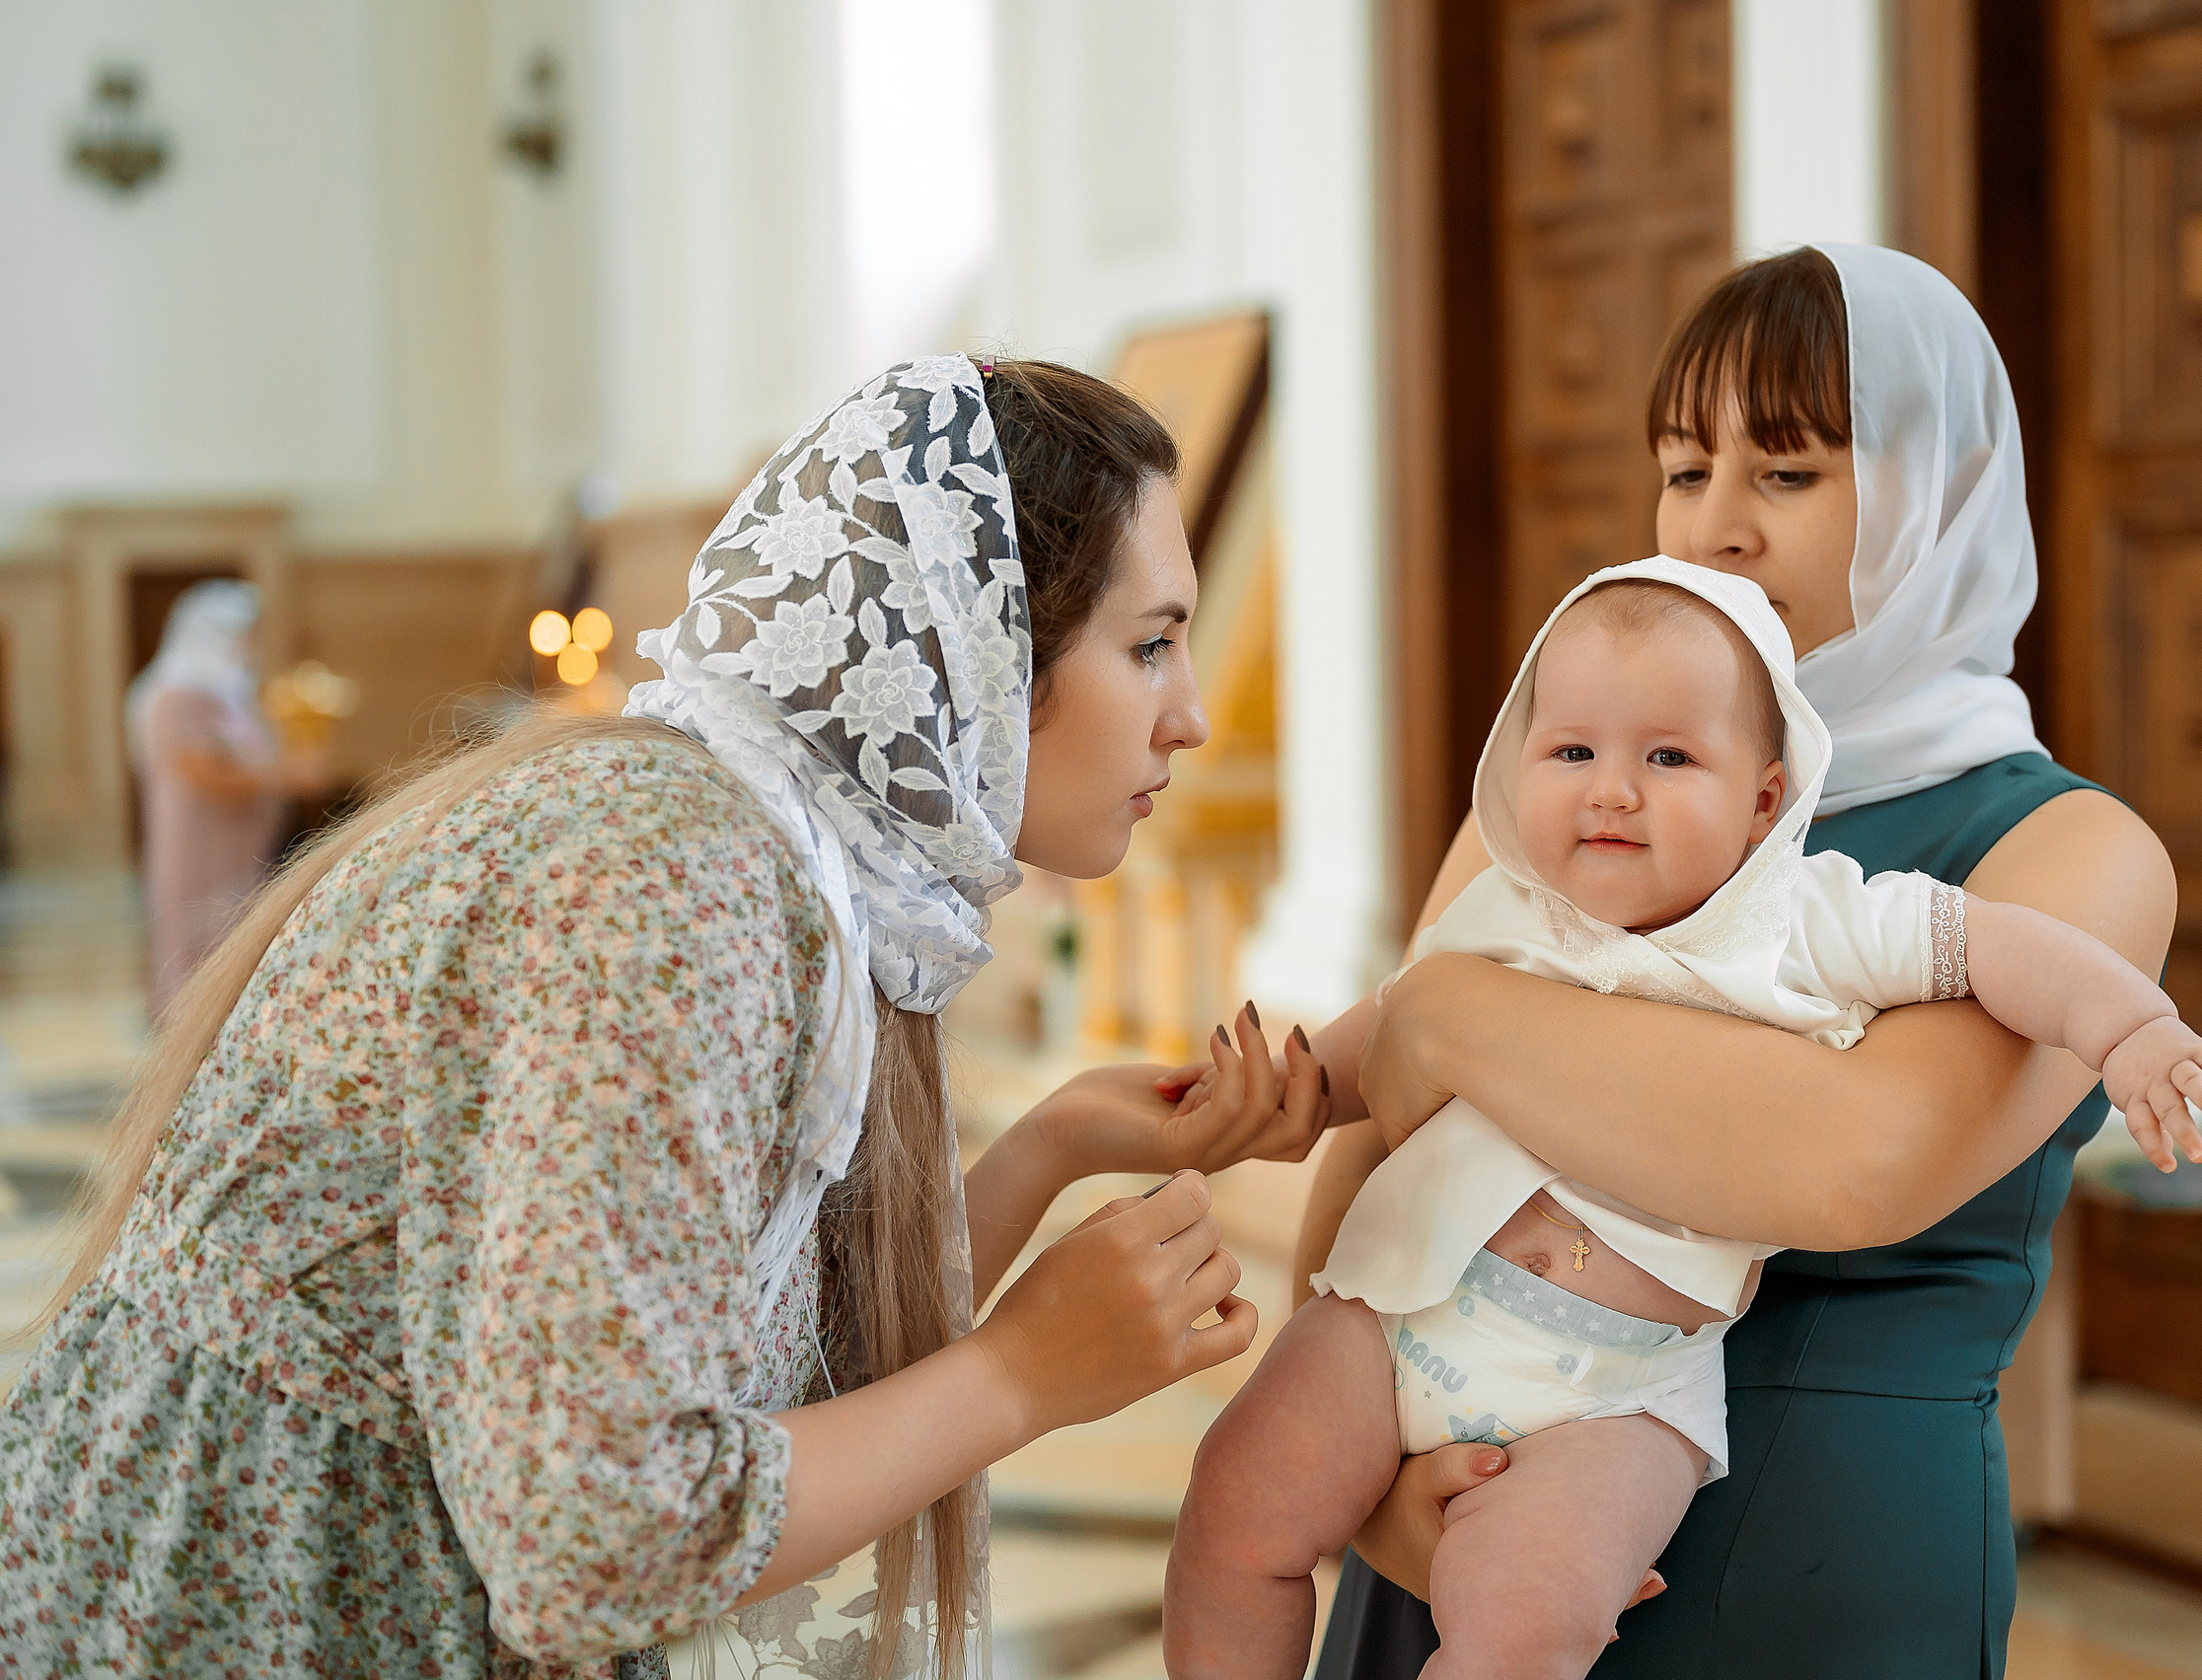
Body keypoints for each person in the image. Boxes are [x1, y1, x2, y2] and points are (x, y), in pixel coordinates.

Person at [0, 355, 1332, 1680]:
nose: (1194, 716)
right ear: (970, 649)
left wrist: (1051, 1142)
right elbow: (599, 1538)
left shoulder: (780, 856)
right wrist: (1022, 1374)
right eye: (1150, 643)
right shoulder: (674, 879)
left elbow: (738, 1377)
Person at [1285, 245, 2179, 1677]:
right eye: (1682, 468)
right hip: (1467, 1501)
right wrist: (1366, 1488)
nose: (1716, 528)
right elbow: (1386, 1139)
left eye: (1789, 472)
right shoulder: (1574, 789)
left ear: (1935, 493)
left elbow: (1847, 1160)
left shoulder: (2072, 850)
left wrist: (1453, 1011)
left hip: (1809, 1558)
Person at [1163, 560, 2202, 1679]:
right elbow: (1379, 1037)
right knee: (1232, 1509)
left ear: (1764, 798)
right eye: (1572, 751)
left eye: (1667, 757)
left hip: (1613, 1390)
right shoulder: (1508, 903)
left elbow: (1999, 945)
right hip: (1393, 1311)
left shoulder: (1810, 920)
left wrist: (2131, 1029)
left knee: (1524, 1626)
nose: (1611, 790)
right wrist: (1273, 1100)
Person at [124, 580, 321, 1016]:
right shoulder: (175, 695)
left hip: (240, 846)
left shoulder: (228, 695)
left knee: (235, 944)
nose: (252, 645)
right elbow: (204, 772)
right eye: (245, 633)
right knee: (196, 945)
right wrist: (286, 780)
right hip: (198, 846)